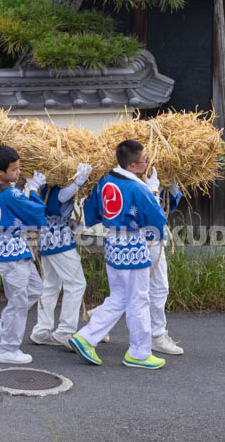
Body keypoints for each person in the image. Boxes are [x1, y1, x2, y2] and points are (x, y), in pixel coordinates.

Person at [68, 140, 176, 370]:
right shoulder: (138, 188)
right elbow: (158, 218)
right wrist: (154, 191)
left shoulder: (106, 178)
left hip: (112, 242)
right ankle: (138, 353)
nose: (147, 163)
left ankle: (86, 337)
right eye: (145, 160)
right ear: (134, 165)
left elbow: (92, 208)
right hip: (133, 244)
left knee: (119, 297)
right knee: (138, 299)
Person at [0, 145, 48, 365]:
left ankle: (4, 325)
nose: (18, 173)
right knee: (19, 300)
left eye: (18, 168)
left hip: (15, 250)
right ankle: (7, 348)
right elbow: (36, 214)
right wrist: (35, 191)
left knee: (35, 289)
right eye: (13, 170)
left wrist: (27, 192)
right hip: (10, 253)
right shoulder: (10, 193)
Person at [28, 163, 93, 349]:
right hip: (58, 239)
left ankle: (42, 330)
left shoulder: (41, 179)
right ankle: (65, 331)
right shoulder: (53, 180)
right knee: (76, 282)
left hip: (46, 235)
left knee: (50, 284)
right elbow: (61, 195)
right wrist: (79, 181)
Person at [144, 167, 183, 355]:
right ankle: (157, 335)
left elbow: (168, 205)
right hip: (148, 238)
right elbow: (154, 211)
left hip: (143, 239)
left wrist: (173, 184)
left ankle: (98, 320)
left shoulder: (133, 173)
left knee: (133, 291)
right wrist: (153, 191)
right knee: (159, 287)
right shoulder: (135, 177)